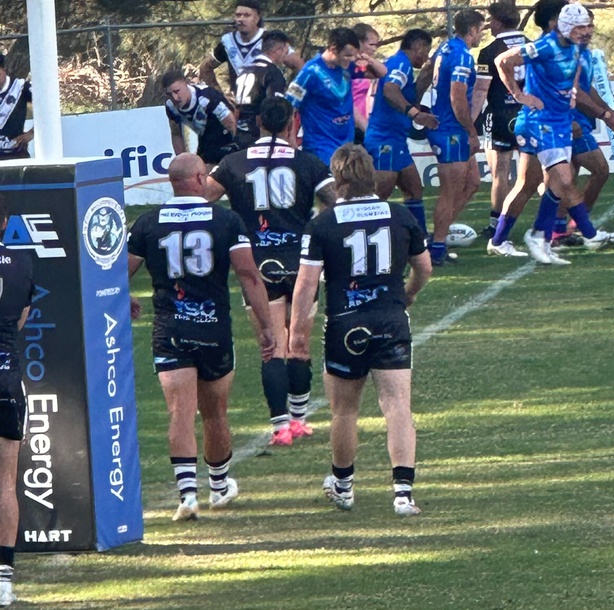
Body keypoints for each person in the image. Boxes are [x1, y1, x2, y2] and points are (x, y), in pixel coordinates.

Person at [127, 152, 275, 520]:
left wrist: (122, 294)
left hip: (170, 328)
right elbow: (248, 274)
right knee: (214, 412)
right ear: (198, 178)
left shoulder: (149, 222)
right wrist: (267, 324)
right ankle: (220, 485)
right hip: (213, 328)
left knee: (179, 411)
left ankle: (187, 495)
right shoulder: (225, 220)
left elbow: (116, 272)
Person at [289, 144, 431, 517]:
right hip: (390, 319)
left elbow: (306, 286)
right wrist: (409, 294)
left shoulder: (322, 223)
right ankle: (402, 494)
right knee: (398, 405)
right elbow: (425, 268)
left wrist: (297, 334)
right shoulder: (399, 215)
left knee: (344, 411)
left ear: (338, 180)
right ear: (371, 175)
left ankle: (343, 486)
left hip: (345, 323)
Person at [207, 96, 335, 446]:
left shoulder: (232, 164)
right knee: (300, 343)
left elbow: (202, 200)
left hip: (256, 261)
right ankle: (299, 419)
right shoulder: (308, 163)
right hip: (301, 261)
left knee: (271, 343)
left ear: (259, 122)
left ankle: (280, 427)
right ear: (292, 123)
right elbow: (337, 203)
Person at [493, 1, 614, 264]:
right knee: (564, 177)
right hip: (539, 120)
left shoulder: (578, 48)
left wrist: (572, 97)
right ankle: (587, 233)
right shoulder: (545, 45)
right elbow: (502, 60)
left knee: (536, 183)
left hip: (559, 120)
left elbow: (574, 76)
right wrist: (520, 95)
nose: (585, 31)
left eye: (587, 26)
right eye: (579, 27)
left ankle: (510, 239)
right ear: (564, 27)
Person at [423, 8, 485, 267]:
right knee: (450, 191)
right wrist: (471, 131)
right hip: (450, 130)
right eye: (481, 29)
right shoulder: (461, 56)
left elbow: (427, 71)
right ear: (472, 30)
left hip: (449, 127)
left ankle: (437, 237)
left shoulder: (446, 47)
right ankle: (436, 248)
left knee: (472, 183)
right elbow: (457, 97)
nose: (482, 34)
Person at [362, 27, 437, 235]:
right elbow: (389, 90)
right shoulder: (400, 64)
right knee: (379, 194)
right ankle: (364, 235)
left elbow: (406, 95)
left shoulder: (401, 65)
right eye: (426, 51)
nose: (426, 56)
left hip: (396, 140)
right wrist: (416, 114)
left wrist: (426, 75)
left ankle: (419, 238)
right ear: (418, 47)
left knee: (414, 190)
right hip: (385, 140)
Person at [0, 198, 35, 607]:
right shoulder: (22, 262)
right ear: (6, 222)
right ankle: (4, 579)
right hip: (7, 374)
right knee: (5, 480)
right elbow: (22, 318)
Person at [472, 3, 529, 243]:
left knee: (500, 173)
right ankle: (553, 221)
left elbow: (481, 91)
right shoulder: (533, 44)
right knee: (535, 171)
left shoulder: (490, 50)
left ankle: (496, 223)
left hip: (500, 116)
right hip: (528, 113)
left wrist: (470, 122)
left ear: (497, 22)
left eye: (490, 21)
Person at [200, 0, 301, 105]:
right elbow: (205, 67)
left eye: (247, 15)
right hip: (239, 110)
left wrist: (292, 100)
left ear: (257, 18)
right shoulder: (228, 42)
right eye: (238, 15)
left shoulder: (271, 40)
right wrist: (219, 96)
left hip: (266, 109)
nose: (241, 19)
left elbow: (300, 67)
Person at [285, 28, 361, 167]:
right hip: (321, 145)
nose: (352, 59)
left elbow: (381, 73)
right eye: (348, 55)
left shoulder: (346, 67)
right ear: (333, 48)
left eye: (354, 55)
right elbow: (289, 105)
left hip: (347, 143)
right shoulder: (310, 72)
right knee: (331, 186)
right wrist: (291, 139)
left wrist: (366, 58)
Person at [231, 29, 294, 145]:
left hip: (240, 134)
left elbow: (236, 106)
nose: (285, 56)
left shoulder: (244, 70)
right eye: (285, 51)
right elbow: (275, 108)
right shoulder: (273, 73)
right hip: (259, 136)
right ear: (278, 50)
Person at [162, 70, 239, 164]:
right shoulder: (170, 106)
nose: (175, 98)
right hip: (205, 141)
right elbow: (176, 134)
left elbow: (230, 121)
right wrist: (182, 160)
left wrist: (236, 148)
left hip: (227, 138)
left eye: (177, 91)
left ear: (186, 84)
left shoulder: (207, 96)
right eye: (169, 94)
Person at [349, 23, 388, 141]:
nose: (374, 49)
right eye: (371, 45)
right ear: (359, 43)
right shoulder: (347, 65)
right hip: (352, 120)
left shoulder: (369, 65)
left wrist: (369, 59)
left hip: (369, 118)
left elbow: (385, 73)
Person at [0, 54, 33, 159]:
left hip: (16, 155)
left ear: (4, 70)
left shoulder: (20, 87)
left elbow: (47, 108)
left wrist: (31, 133)